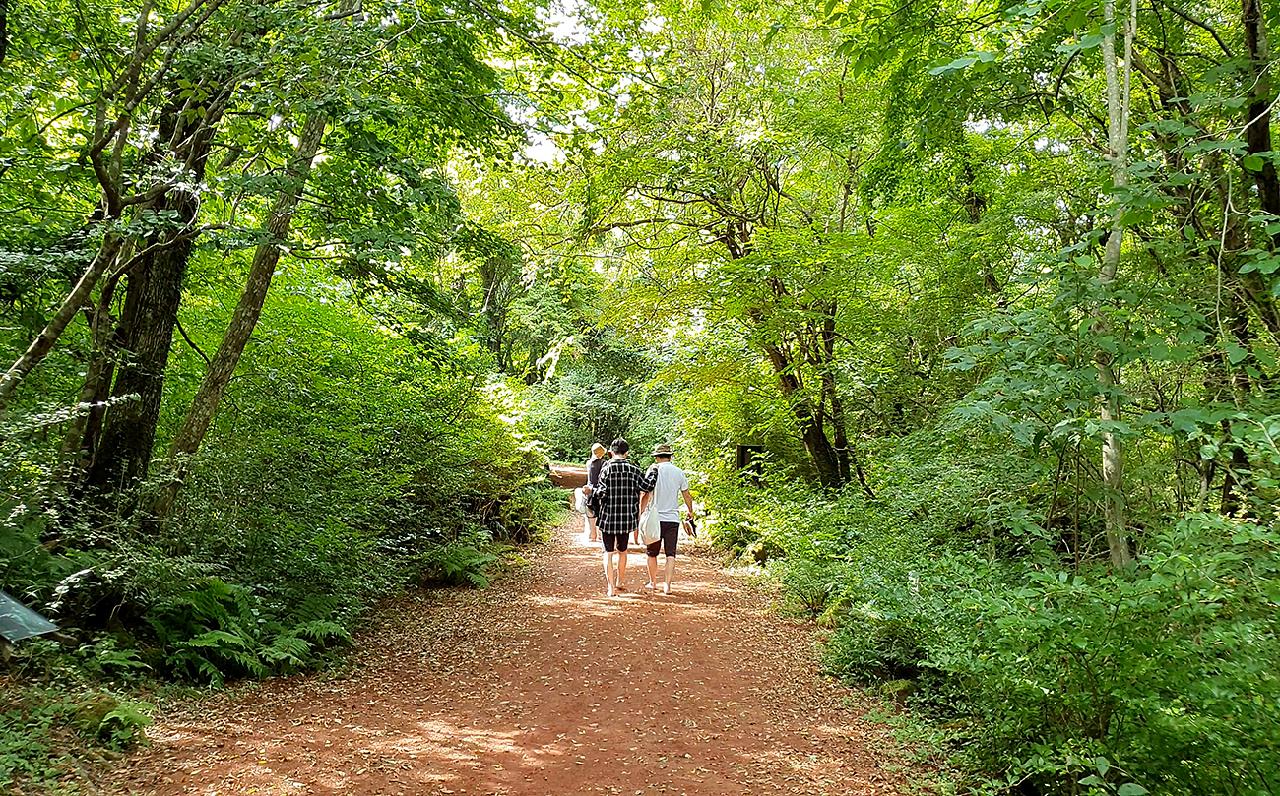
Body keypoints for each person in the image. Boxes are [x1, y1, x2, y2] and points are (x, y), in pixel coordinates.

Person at [592, 438, 648, 597]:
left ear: (611, 452)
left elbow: (601, 493)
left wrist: (591, 491)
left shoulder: (606, 468)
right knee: (623, 551)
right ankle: (620, 581)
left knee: (607, 552)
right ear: (627, 453)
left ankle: (610, 587)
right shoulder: (634, 469)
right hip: (626, 518)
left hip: (608, 517)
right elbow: (646, 487)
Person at [638, 443, 695, 595]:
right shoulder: (679, 472)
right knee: (671, 554)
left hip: (654, 519)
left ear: (656, 457)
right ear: (671, 456)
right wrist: (690, 511)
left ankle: (653, 582)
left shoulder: (653, 470)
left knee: (652, 553)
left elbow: (646, 493)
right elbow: (686, 495)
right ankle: (667, 586)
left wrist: (640, 513)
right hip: (672, 519)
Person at [578, 443, 607, 542]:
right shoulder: (604, 463)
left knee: (590, 512)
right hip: (600, 489)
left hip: (589, 489)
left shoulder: (589, 463)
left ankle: (592, 533)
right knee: (600, 512)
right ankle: (599, 534)